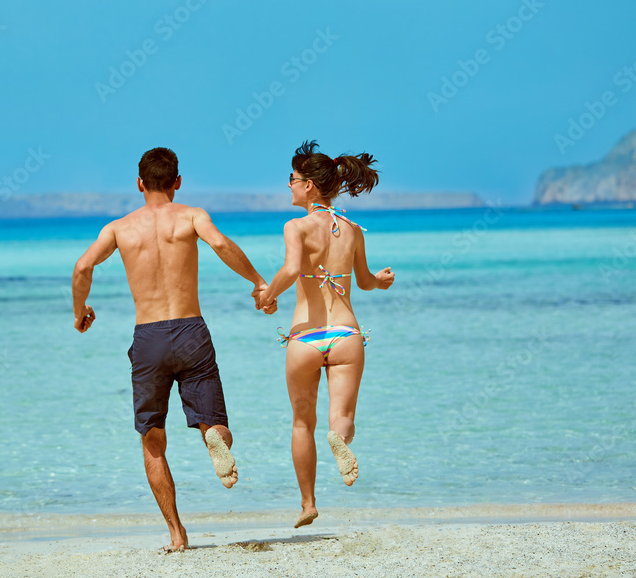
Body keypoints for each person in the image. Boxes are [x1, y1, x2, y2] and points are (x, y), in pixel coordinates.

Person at [72, 147, 276, 551]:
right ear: (178, 182)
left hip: (147, 338)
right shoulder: (192, 216)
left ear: (139, 183)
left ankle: (177, 534)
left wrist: (80, 310)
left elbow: (82, 267)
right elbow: (220, 245)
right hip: (190, 329)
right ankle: (212, 436)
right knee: (213, 420)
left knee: (152, 438)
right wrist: (258, 281)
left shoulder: (118, 229)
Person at [255, 140, 395, 529]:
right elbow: (364, 282)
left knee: (302, 423)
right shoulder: (352, 229)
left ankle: (308, 504)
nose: (289, 186)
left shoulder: (296, 227)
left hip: (305, 337)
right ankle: (340, 440)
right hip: (346, 333)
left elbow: (290, 269)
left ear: (310, 186)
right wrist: (382, 282)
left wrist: (266, 296)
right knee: (342, 416)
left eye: (293, 179)